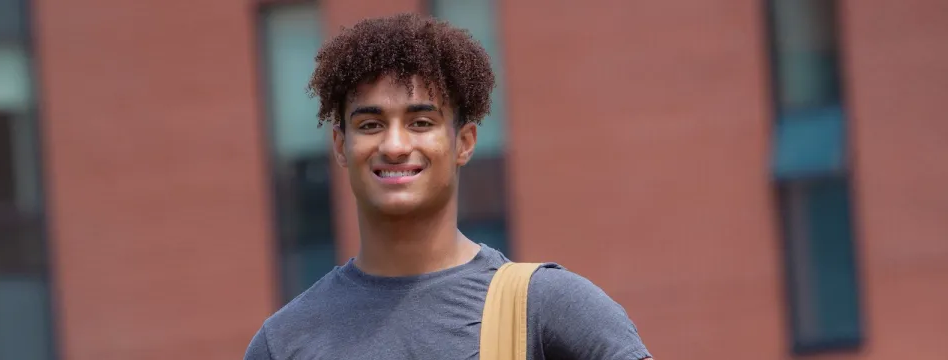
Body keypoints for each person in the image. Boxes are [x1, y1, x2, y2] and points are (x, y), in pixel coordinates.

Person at [243, 13, 652, 360]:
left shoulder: (546, 309)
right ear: (340, 146)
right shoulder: (284, 342)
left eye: (421, 122)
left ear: (464, 142)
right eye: (370, 125)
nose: (396, 145)